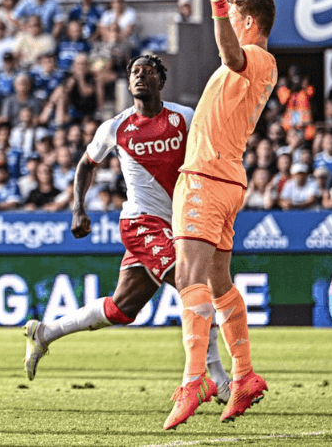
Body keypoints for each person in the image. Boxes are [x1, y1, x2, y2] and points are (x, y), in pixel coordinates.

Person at [23, 56, 231, 399]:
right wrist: (78, 208)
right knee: (193, 285)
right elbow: (85, 165)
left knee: (121, 309)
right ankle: (216, 377)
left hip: (177, 223)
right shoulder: (115, 127)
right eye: (135, 72)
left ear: (160, 82)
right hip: (140, 223)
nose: (139, 76)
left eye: (148, 72)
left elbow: (208, 155)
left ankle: (45, 333)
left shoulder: (185, 117)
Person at [165, 0, 278, 430]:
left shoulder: (254, 56)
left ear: (247, 21)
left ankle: (195, 380)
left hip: (207, 179)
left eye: (233, 16)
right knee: (217, 282)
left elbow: (231, 53)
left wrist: (214, 0)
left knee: (187, 275)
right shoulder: (261, 64)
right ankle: (245, 374)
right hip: (226, 178)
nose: (227, 23)